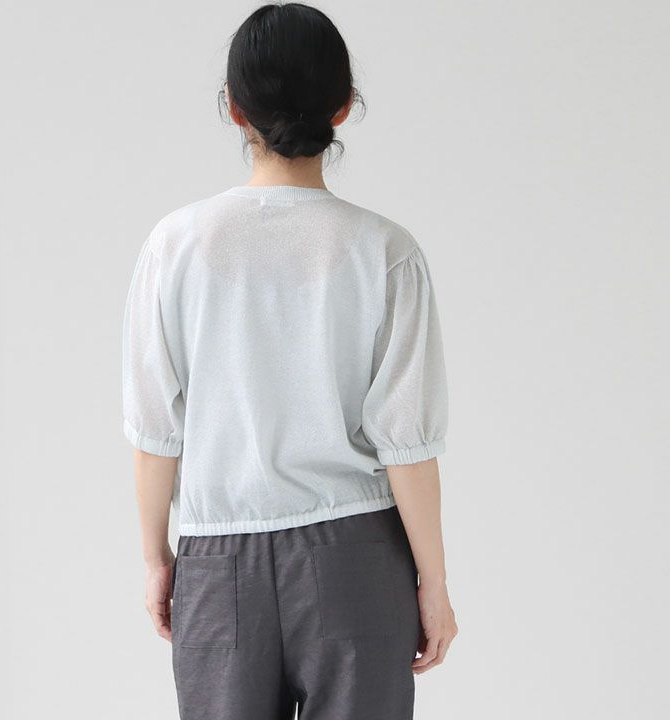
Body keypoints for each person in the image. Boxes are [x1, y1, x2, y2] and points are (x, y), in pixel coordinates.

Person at [121, 3, 458, 718]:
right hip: (358, 557)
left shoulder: (175, 245)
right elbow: (407, 444)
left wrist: (156, 560)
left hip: (218, 564)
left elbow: (155, 433)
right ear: (343, 107)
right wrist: (433, 583)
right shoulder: (386, 252)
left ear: (234, 108)